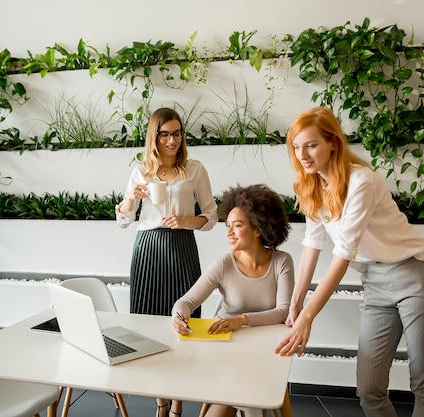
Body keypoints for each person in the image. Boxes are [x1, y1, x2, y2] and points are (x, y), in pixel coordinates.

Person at [274, 107, 424, 417]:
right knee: (369, 389)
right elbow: (312, 245)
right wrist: (296, 303)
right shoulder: (311, 185)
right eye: (296, 147)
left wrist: (309, 316)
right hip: (375, 281)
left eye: (311, 145)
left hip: (416, 275)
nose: (303, 154)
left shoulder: (361, 181)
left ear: (333, 144)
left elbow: (342, 254)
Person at [116, 107, 218, 417]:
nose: (172, 140)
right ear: (154, 137)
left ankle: (177, 404)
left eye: (176, 133)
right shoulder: (140, 171)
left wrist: (187, 220)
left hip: (182, 248)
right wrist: (131, 199)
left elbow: (212, 216)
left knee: (183, 325)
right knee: (147, 326)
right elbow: (123, 221)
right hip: (147, 250)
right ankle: (160, 400)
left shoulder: (195, 169)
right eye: (165, 134)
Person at [173, 184, 294, 417]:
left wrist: (242, 320)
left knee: (247, 388)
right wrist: (179, 316)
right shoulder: (224, 264)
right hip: (225, 351)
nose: (229, 233)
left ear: (258, 229)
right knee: (243, 392)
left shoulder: (281, 262)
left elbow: (283, 311)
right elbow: (186, 301)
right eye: (227, 226)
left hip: (264, 352)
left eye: (237, 226)